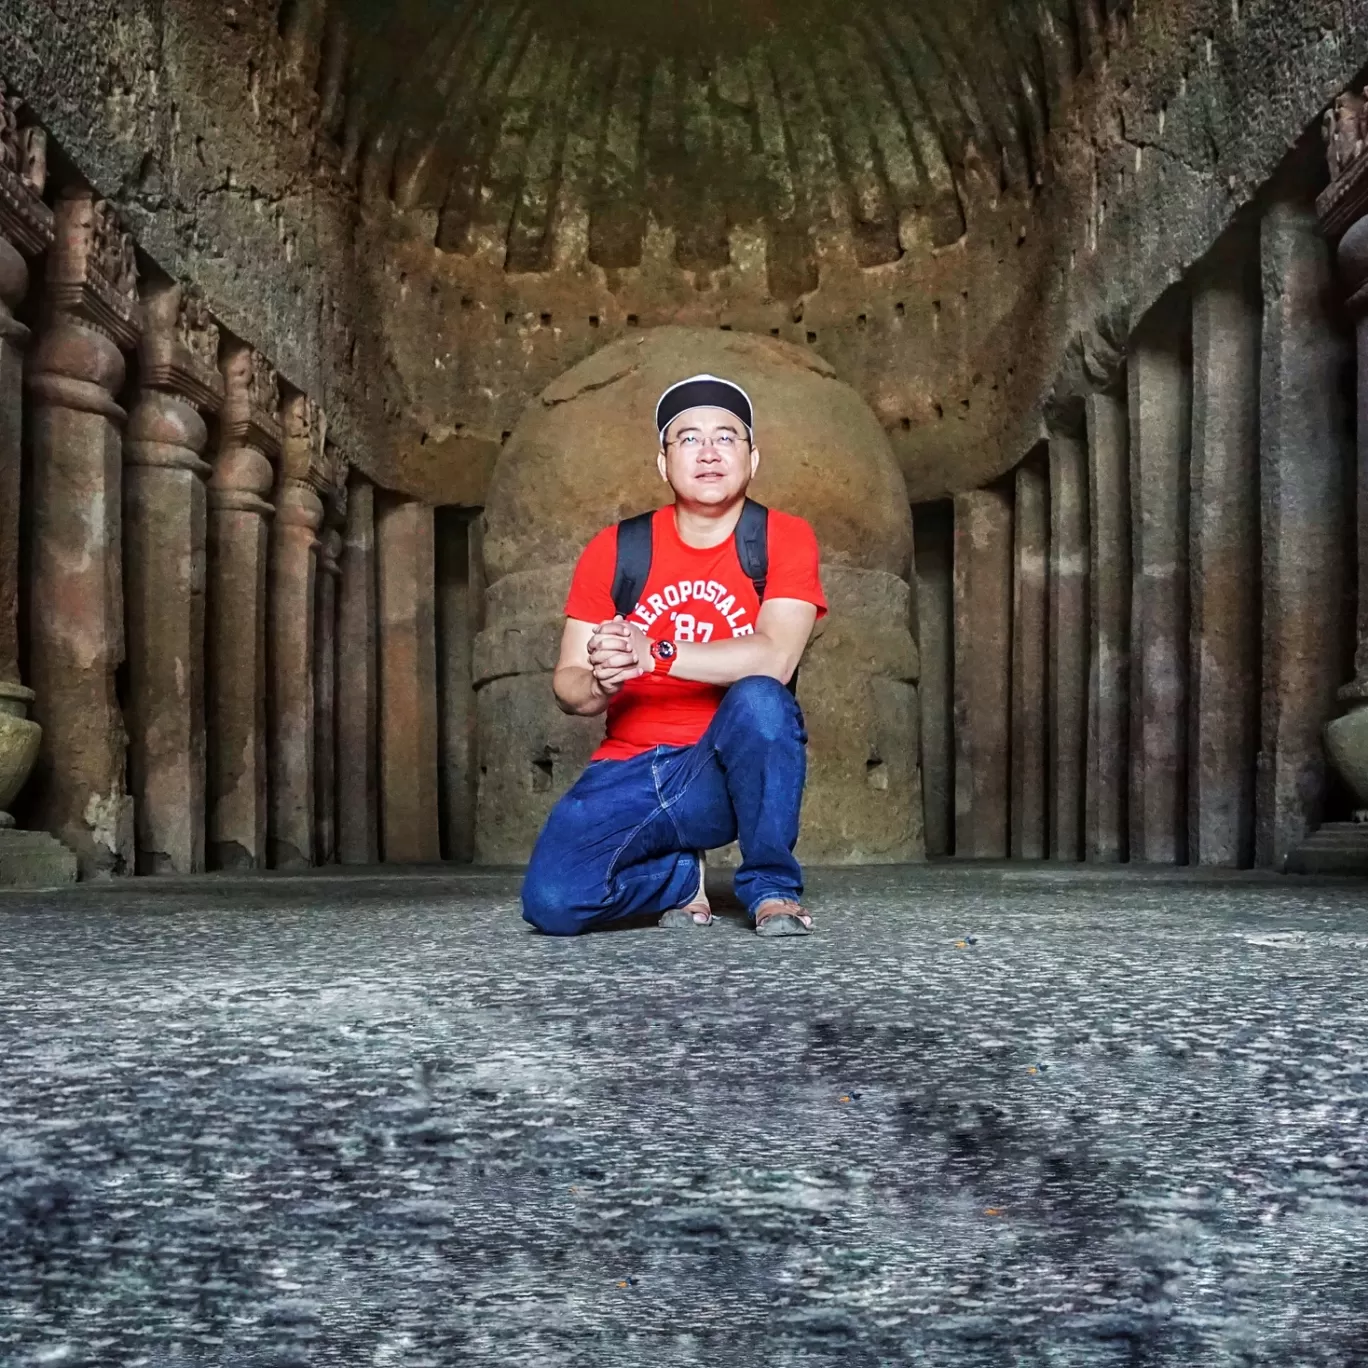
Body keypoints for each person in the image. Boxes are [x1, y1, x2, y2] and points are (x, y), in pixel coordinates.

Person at [520, 373, 827, 938]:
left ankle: (771, 888)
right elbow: (568, 682)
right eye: (687, 439)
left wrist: (652, 651)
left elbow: (775, 659)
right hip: (629, 767)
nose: (708, 452)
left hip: (719, 769)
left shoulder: (782, 537)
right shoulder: (615, 548)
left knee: (763, 699)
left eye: (726, 437)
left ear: (753, 458)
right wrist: (604, 681)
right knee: (554, 902)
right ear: (663, 464)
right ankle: (679, 879)